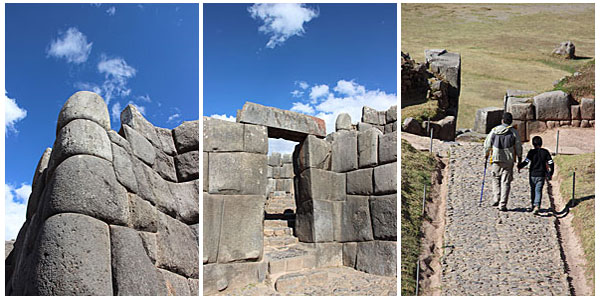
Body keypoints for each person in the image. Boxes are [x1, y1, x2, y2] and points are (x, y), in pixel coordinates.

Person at [483, 112, 523, 211]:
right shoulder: (514, 132)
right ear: (511, 121)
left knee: (495, 178)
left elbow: (487, 144)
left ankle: (496, 197)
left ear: (502, 120)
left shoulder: (494, 131)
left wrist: (486, 155)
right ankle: (502, 204)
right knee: (506, 182)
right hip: (508, 159)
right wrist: (519, 158)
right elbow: (518, 146)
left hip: (496, 158)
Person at [517, 136, 554, 214]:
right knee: (538, 190)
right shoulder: (545, 152)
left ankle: (533, 205)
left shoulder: (531, 152)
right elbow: (551, 162)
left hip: (532, 174)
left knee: (533, 190)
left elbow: (526, 161)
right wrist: (551, 172)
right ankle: (537, 205)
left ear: (533, 144)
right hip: (541, 175)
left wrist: (520, 166)